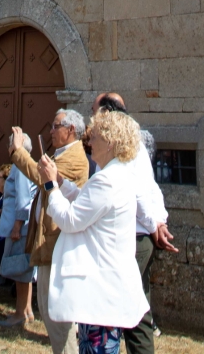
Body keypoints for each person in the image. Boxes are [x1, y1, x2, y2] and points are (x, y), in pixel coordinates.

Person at [40, 109, 150, 354]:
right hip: (107, 286)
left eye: (97, 137)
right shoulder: (116, 175)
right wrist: (60, 182)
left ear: (110, 143)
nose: (89, 142)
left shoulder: (107, 180)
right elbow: (88, 204)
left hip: (101, 289)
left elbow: (70, 219)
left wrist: (49, 186)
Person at [92, 92, 177, 354]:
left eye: (94, 110)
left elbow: (140, 190)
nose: (92, 116)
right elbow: (150, 187)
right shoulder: (130, 142)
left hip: (132, 238)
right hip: (136, 235)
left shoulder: (122, 143)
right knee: (137, 310)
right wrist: (159, 220)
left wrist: (154, 225)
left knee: (122, 307)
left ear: (107, 113)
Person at [10, 110, 89, 354]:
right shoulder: (61, 152)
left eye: (56, 127)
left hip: (58, 243)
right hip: (51, 241)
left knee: (56, 310)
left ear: (71, 130)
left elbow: (41, 176)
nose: (51, 131)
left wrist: (17, 150)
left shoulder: (75, 157)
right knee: (48, 307)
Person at [0, 132, 37, 327]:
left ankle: (20, 313)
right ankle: (27, 310)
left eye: (10, 145)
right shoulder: (23, 165)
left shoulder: (21, 168)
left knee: (20, 271)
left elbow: (23, 199)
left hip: (20, 227)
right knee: (24, 269)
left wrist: (17, 225)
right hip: (22, 225)